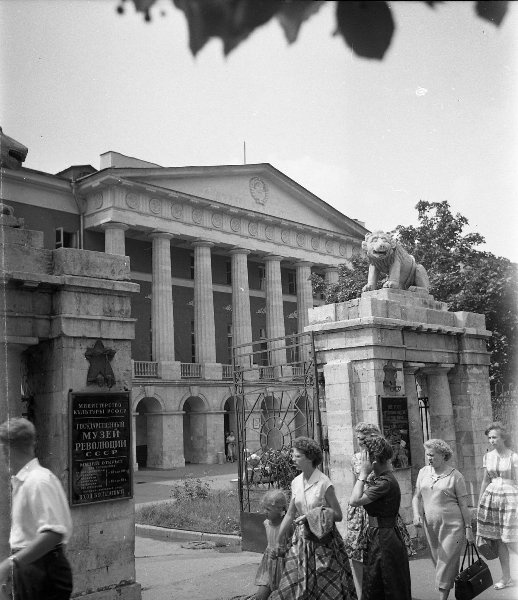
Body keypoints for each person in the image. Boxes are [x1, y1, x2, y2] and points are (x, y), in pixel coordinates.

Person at [269, 437, 356, 600]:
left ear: (309, 458)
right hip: (301, 542)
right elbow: (290, 514)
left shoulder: (324, 483)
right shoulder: (296, 482)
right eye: (293, 455)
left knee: (325, 587)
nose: (293, 459)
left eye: (297, 456)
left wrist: (310, 516)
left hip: (323, 543)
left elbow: (338, 515)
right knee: (292, 586)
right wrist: (278, 539)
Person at [0, 417, 73, 600]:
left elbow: (53, 532)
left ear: (7, 449)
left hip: (43, 569)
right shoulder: (25, 481)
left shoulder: (38, 481)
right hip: (33, 568)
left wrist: (11, 563)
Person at [344, 422, 414, 597]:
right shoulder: (383, 478)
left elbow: (355, 500)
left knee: (385, 580)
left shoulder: (384, 481)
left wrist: (363, 475)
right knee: (375, 577)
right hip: (375, 527)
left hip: (382, 530)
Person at [412, 438, 474, 600]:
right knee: (441, 562)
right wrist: (416, 514)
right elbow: (416, 497)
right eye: (427, 455)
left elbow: (463, 505)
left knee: (445, 563)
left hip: (453, 527)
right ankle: (448, 587)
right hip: (430, 526)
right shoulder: (423, 472)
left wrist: (469, 529)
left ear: (443, 455)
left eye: (432, 455)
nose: (429, 458)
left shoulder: (456, 476)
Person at [477, 421, 518, 590]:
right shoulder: (488, 456)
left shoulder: (514, 457)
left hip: (510, 499)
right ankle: (506, 577)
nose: (492, 440)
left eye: (495, 437)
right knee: (499, 540)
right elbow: (486, 480)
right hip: (492, 499)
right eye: (490, 438)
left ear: (503, 438)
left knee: (511, 539)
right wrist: (480, 502)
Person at [253, 490, 292, 600]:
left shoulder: (288, 526)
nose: (265, 511)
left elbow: (294, 546)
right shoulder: (266, 523)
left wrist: (283, 550)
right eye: (264, 508)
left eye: (268, 509)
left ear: (280, 509)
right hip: (269, 565)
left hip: (284, 566)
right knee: (260, 596)